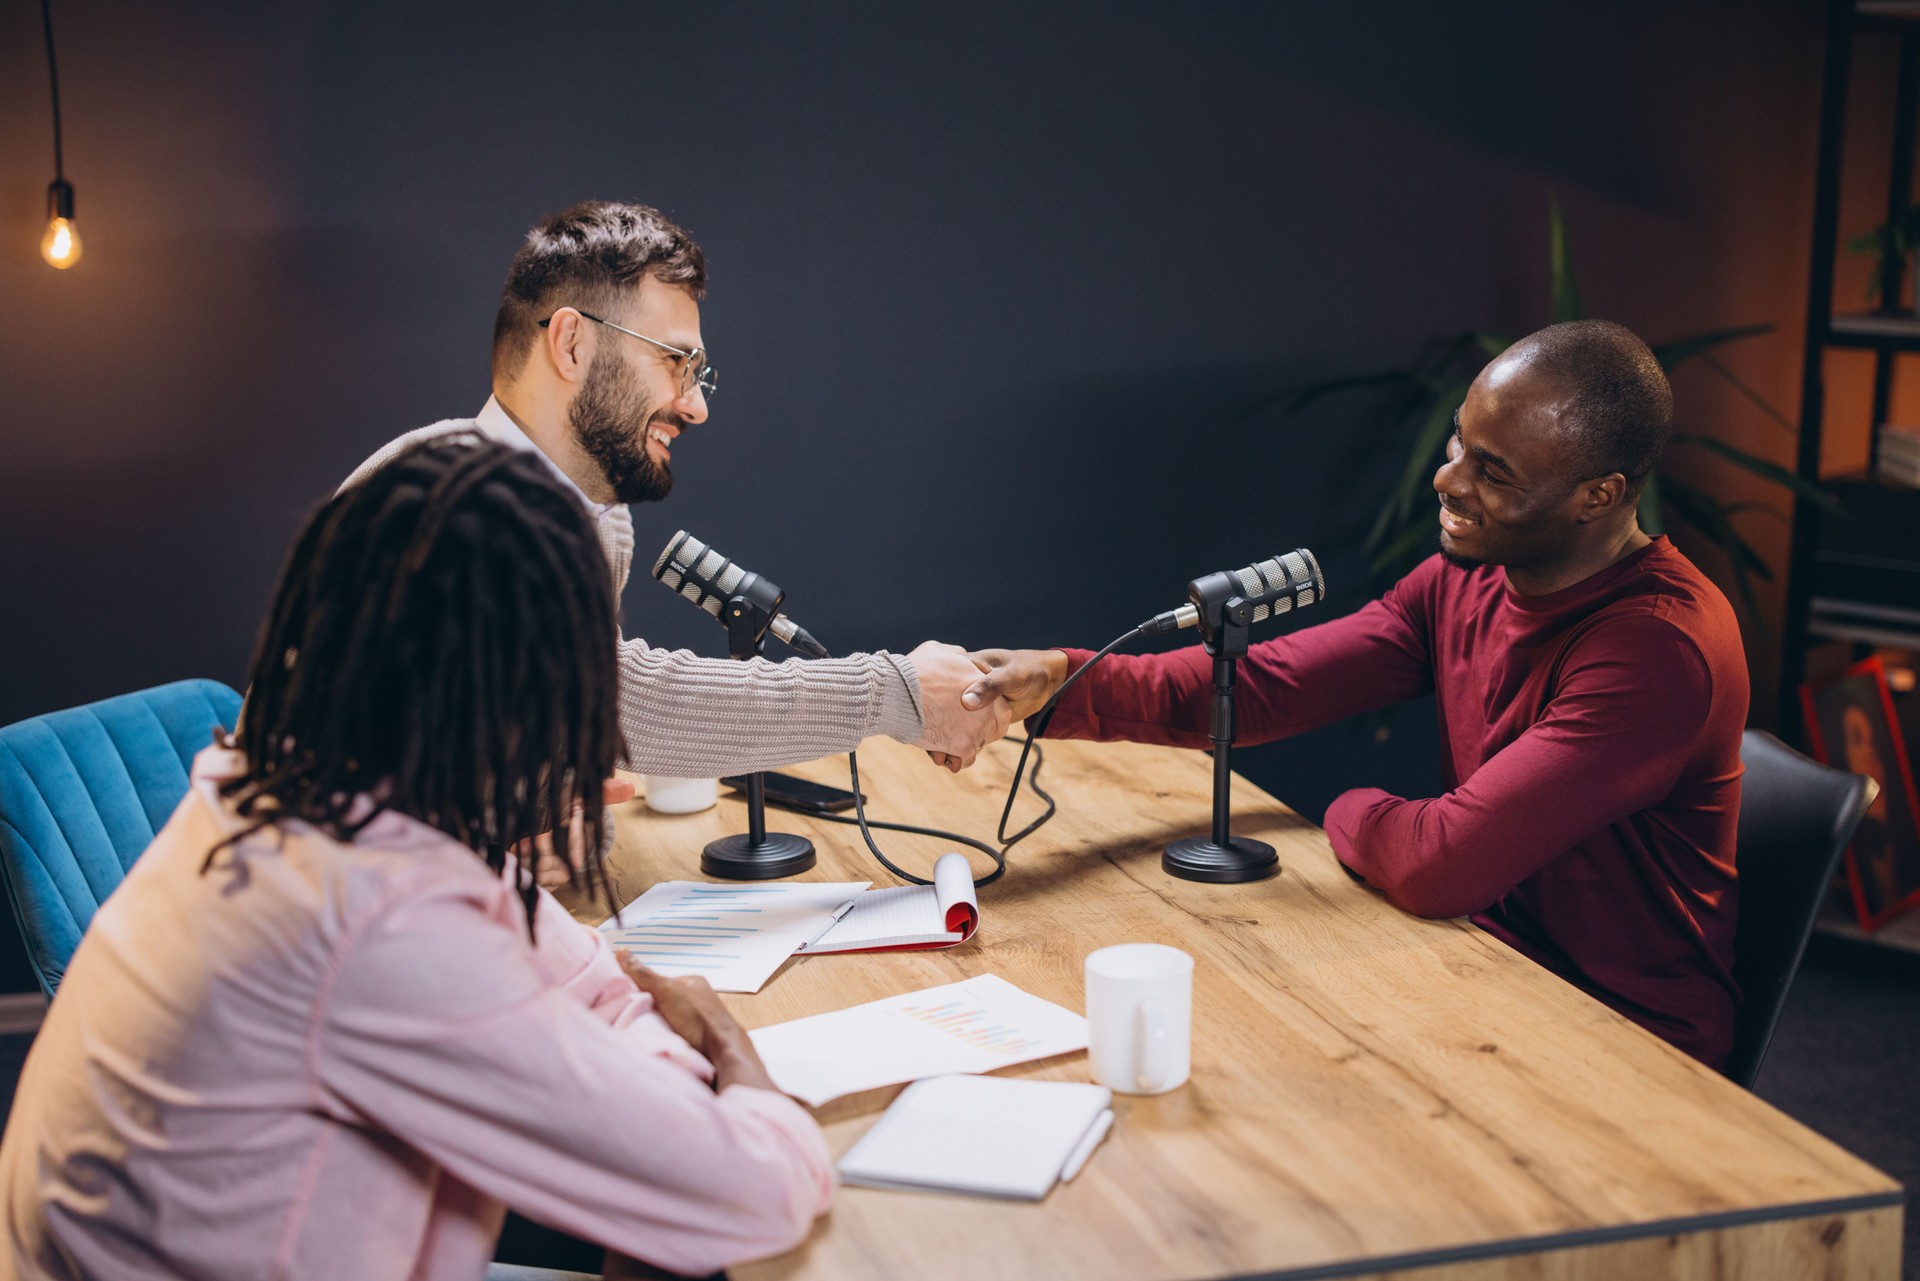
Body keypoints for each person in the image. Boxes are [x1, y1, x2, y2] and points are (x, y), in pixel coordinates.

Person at [0, 438, 832, 1279]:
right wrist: (724, 1045)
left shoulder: (286, 783)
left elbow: (595, 985)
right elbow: (756, 1190)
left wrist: (656, 1088)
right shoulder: (376, 918)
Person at [962, 321, 1750, 1069]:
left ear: (1599, 496)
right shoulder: (1461, 582)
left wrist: (1349, 808)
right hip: (1488, 966)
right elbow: (1261, 686)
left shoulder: (1656, 649)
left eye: (1494, 472)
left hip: (1623, 1037)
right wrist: (1060, 679)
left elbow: (1443, 863)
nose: (1448, 480)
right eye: (1458, 443)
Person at [343, 200, 1010, 808]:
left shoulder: (601, 517)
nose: (697, 405)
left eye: (699, 373)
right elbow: (616, 701)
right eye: (675, 363)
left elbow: (551, 728)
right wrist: (896, 692)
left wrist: (536, 819)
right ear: (572, 343)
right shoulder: (449, 499)